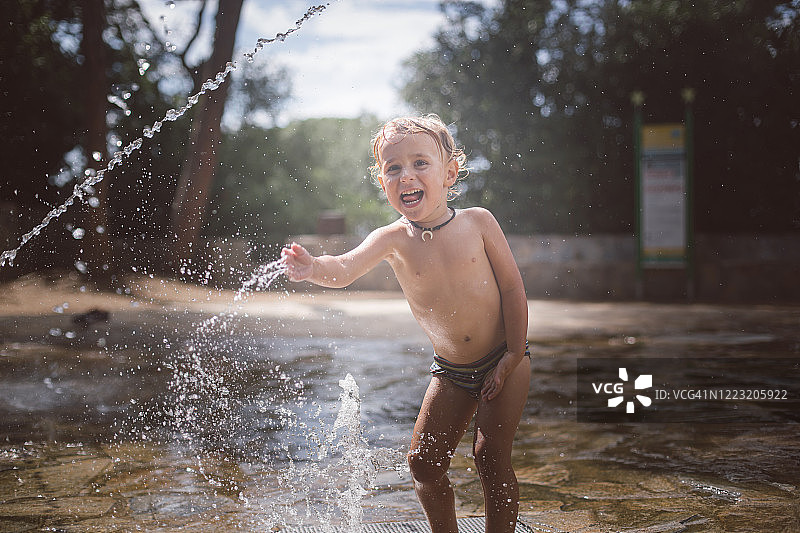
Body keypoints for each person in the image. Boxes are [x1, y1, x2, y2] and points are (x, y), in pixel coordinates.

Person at [281, 114, 530, 533]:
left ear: (449, 173)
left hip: (504, 359)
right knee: (425, 464)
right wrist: (312, 268)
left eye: (420, 163)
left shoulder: (478, 223)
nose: (406, 175)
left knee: (489, 456)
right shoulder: (392, 239)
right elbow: (342, 269)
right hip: (451, 371)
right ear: (383, 183)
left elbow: (512, 290)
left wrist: (511, 355)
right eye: (393, 168)